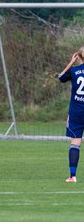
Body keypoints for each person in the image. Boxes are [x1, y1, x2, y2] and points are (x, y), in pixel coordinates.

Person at [58, 47, 84, 182]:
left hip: (76, 113)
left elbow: (61, 78)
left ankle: (72, 176)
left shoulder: (74, 71)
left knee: (75, 143)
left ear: (78, 57)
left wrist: (70, 63)